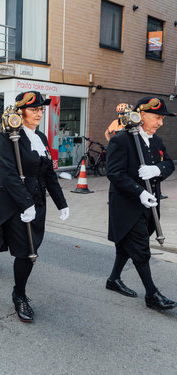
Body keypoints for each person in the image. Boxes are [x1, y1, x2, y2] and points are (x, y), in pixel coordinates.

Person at [0, 91, 69, 322]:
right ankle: (19, 295)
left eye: (40, 109)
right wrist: (26, 204)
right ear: (21, 111)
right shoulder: (8, 138)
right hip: (17, 204)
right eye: (33, 109)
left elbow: (48, 174)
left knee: (32, 249)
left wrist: (61, 203)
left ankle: (20, 290)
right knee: (26, 253)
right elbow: (8, 175)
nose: (38, 113)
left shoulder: (42, 138)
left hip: (37, 203)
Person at [105, 96, 176, 310]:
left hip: (151, 205)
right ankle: (152, 295)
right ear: (141, 114)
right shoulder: (121, 139)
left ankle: (113, 280)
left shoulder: (156, 141)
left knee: (126, 246)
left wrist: (157, 170)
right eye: (157, 117)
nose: (160, 123)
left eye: (162, 119)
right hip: (128, 205)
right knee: (140, 249)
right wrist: (139, 192)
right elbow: (114, 173)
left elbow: (169, 164)